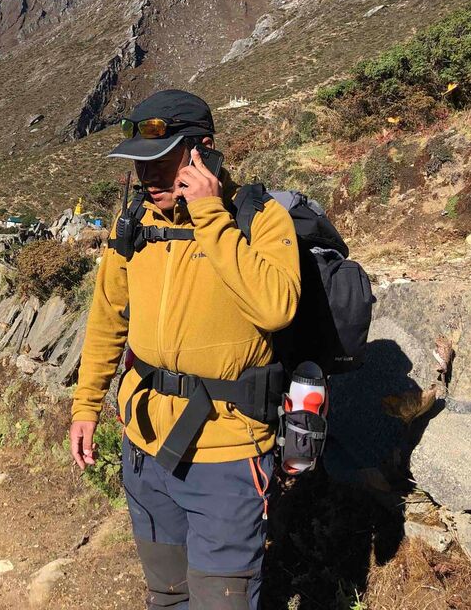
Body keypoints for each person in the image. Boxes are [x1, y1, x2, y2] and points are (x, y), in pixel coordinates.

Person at [69, 89, 301, 609]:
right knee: (167, 595)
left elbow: (276, 308)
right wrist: (86, 406)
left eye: (161, 161)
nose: (147, 176)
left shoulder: (259, 218)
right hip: (144, 446)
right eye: (139, 164)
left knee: (221, 601)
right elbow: (107, 318)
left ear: (203, 152)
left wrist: (210, 216)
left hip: (225, 452)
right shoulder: (136, 222)